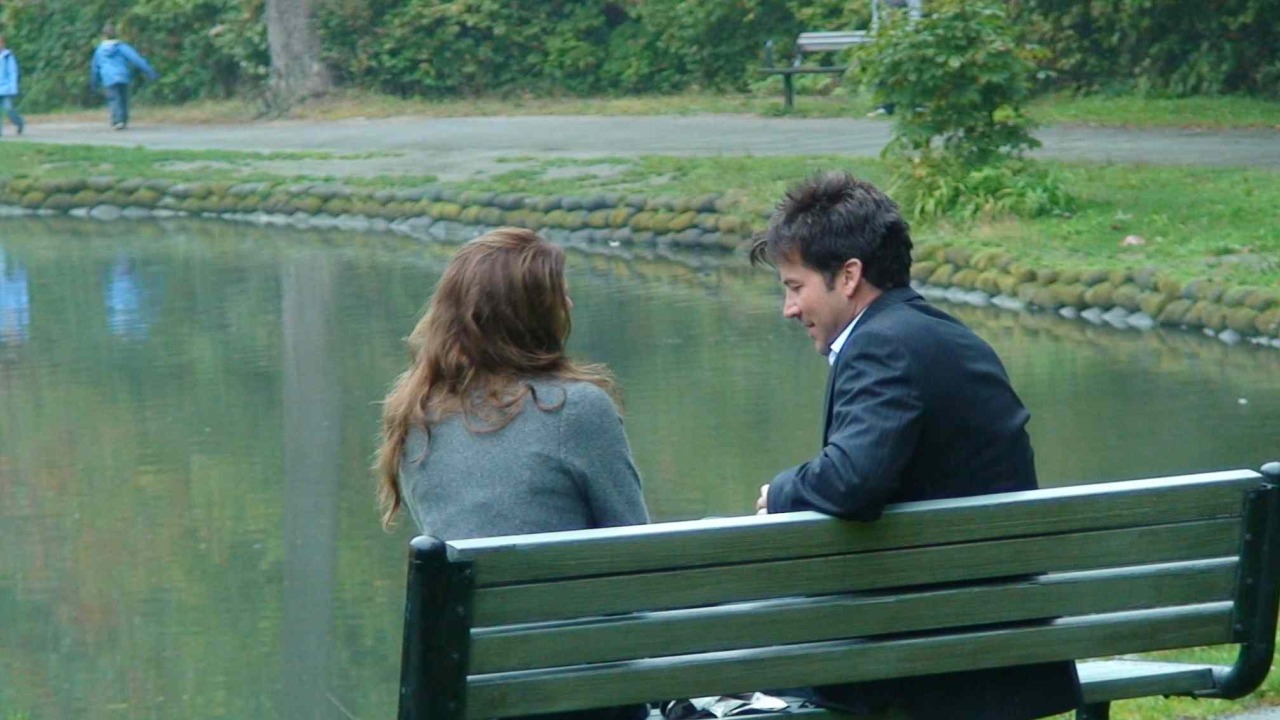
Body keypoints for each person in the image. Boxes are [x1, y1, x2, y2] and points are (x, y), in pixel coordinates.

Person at [749, 172, 1081, 720]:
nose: (789, 308)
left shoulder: (881, 346)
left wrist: (780, 493)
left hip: (937, 662)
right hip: (1005, 644)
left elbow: (854, 480)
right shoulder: (944, 335)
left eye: (794, 286)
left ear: (849, 276)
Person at [90, 23, 157, 130]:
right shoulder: (122, 47)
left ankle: (117, 120)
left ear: (103, 36)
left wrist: (94, 82)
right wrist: (149, 71)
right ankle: (123, 120)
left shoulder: (99, 50)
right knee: (124, 98)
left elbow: (95, 67)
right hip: (123, 76)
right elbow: (136, 59)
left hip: (108, 78)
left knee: (113, 99)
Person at [0, 35, 24, 136]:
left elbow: (12, 72)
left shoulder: (8, 56)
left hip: (6, 88)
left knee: (8, 108)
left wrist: (13, 87)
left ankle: (19, 123)